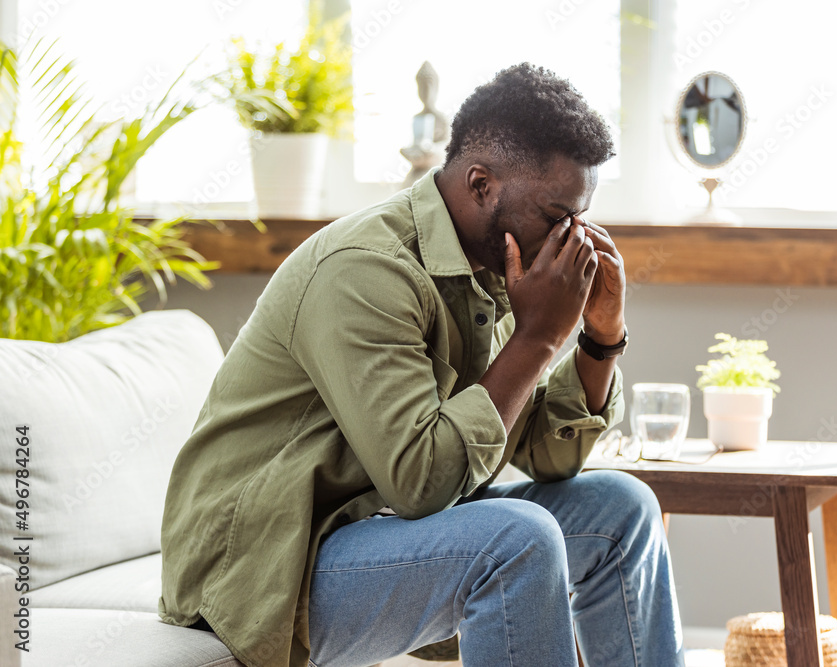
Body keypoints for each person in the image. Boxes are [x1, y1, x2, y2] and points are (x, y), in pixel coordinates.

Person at [158, 62, 684, 667]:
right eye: (556, 216)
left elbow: (546, 454)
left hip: (378, 532)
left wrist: (600, 335)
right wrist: (538, 337)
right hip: (266, 564)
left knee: (624, 509)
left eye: (580, 218)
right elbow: (421, 482)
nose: (573, 240)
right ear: (481, 183)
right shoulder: (365, 270)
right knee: (518, 540)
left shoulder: (497, 266)